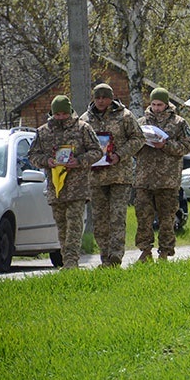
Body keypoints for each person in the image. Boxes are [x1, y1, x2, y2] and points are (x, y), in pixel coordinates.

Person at [26, 95, 103, 269]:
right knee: (62, 225)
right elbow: (32, 155)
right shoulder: (43, 132)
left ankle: (71, 262)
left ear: (69, 112)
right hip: (56, 187)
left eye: (63, 114)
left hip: (77, 187)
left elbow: (97, 151)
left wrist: (79, 160)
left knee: (74, 225)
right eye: (57, 114)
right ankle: (65, 259)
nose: (60, 117)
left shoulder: (83, 128)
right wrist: (47, 161)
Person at [80, 83, 144, 267]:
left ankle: (116, 256)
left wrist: (120, 154)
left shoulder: (124, 116)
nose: (100, 101)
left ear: (111, 98)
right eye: (97, 97)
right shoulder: (86, 120)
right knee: (100, 219)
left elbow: (138, 138)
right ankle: (105, 256)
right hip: (96, 177)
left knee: (117, 216)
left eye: (104, 97)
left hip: (119, 176)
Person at [134, 88, 190, 262]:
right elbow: (132, 147)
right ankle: (145, 251)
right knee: (143, 217)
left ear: (166, 104)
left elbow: (186, 146)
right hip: (144, 179)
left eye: (160, 104)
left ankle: (165, 252)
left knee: (167, 219)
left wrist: (166, 145)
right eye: (153, 104)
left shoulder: (179, 123)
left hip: (168, 180)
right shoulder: (141, 123)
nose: (156, 108)